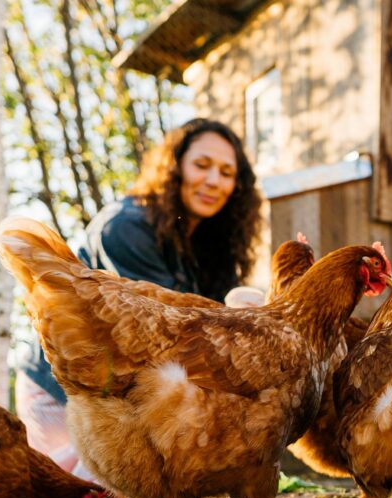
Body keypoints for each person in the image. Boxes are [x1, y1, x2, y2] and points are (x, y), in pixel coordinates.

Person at [16, 118, 264, 478]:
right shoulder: (126, 228)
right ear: (174, 168)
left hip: (123, 393)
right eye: (201, 165)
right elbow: (165, 340)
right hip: (66, 390)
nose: (213, 181)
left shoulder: (212, 245)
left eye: (227, 173)